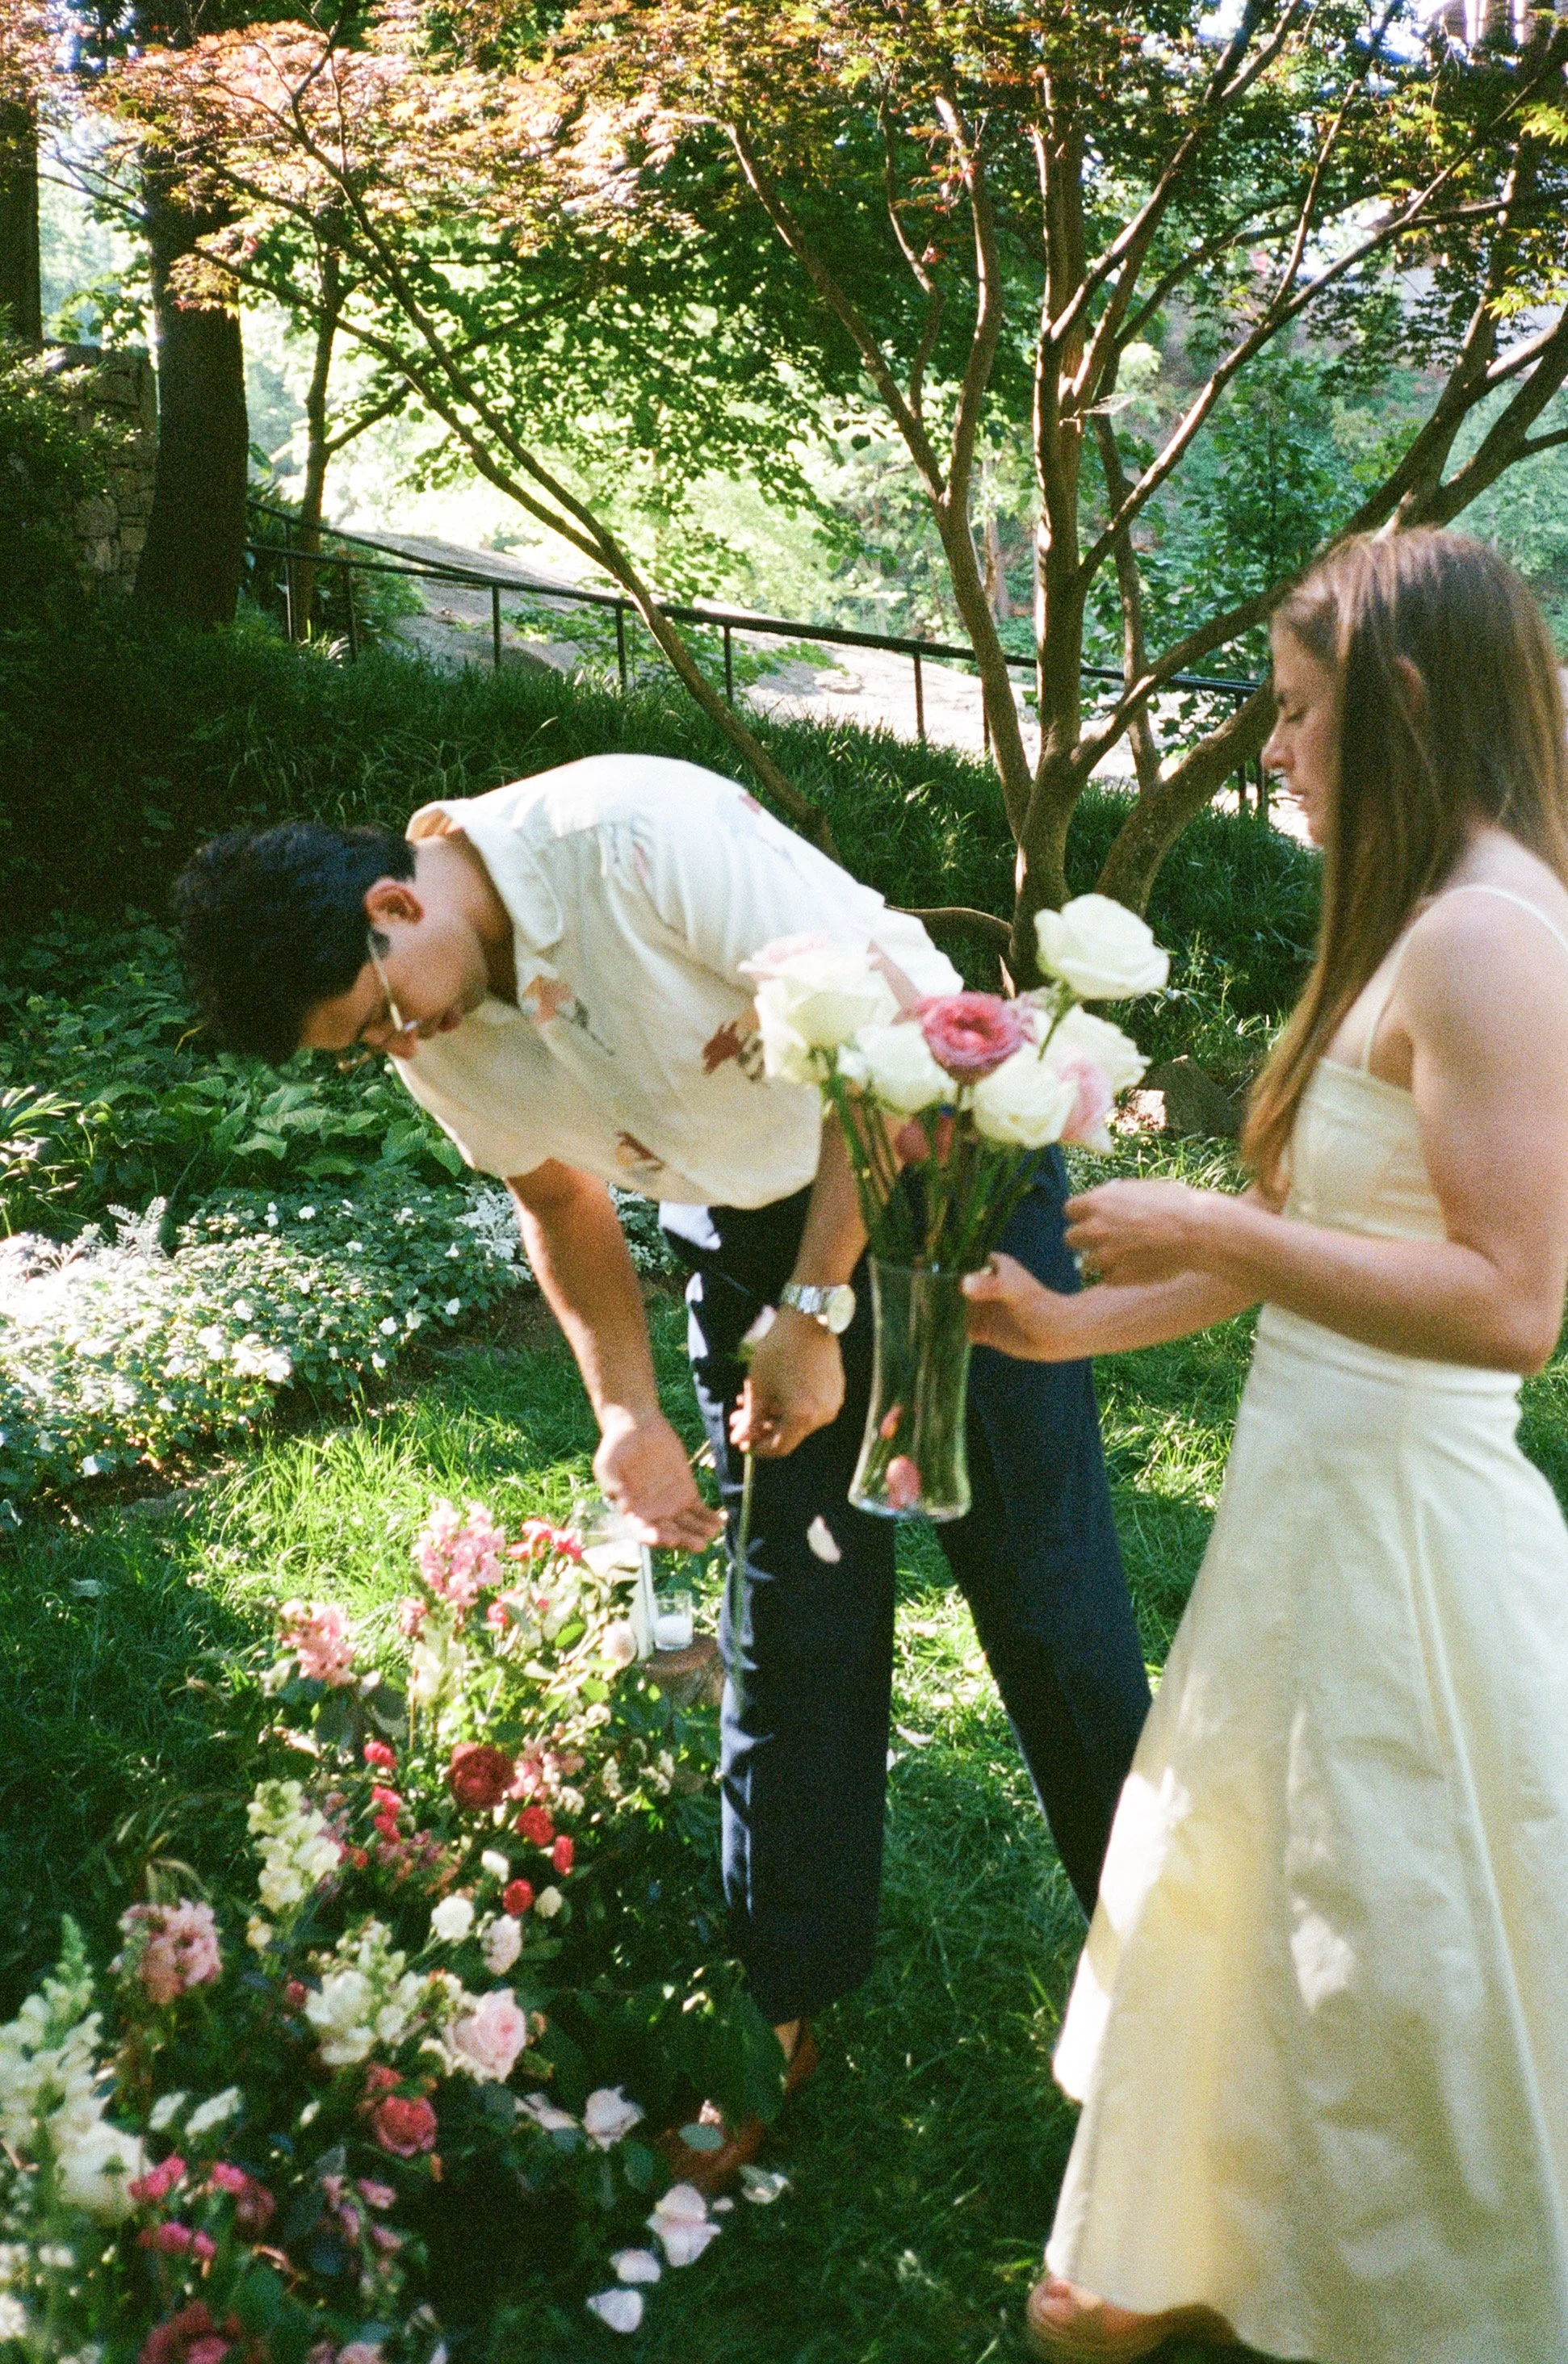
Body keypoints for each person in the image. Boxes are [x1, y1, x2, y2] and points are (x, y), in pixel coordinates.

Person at [172, 752, 1151, 2172]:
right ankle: (776, 2017)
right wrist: (626, 1411)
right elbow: (559, 1197)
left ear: (395, 901)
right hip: (748, 1236)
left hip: (943, 1183)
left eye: (381, 1015)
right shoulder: (425, 1004)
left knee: (1046, 1608)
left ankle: (1181, 1994)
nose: (398, 1047)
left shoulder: (632, 831)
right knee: (788, 1631)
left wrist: (820, 1314)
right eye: (361, 1047)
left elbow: (912, 1053)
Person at [964, 529, 1568, 2364]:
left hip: (1405, 1524)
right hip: (1308, 1498)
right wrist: (1070, 1323)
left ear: (1394, 698)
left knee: (1395, 1900)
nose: (1275, 753)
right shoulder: (1409, 916)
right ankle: (1180, 2230)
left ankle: (1422, 2273)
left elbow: (1506, 1305)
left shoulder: (1486, 938)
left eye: (1297, 714)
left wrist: (1220, 1235)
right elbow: (1325, 1254)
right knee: (1250, 1874)